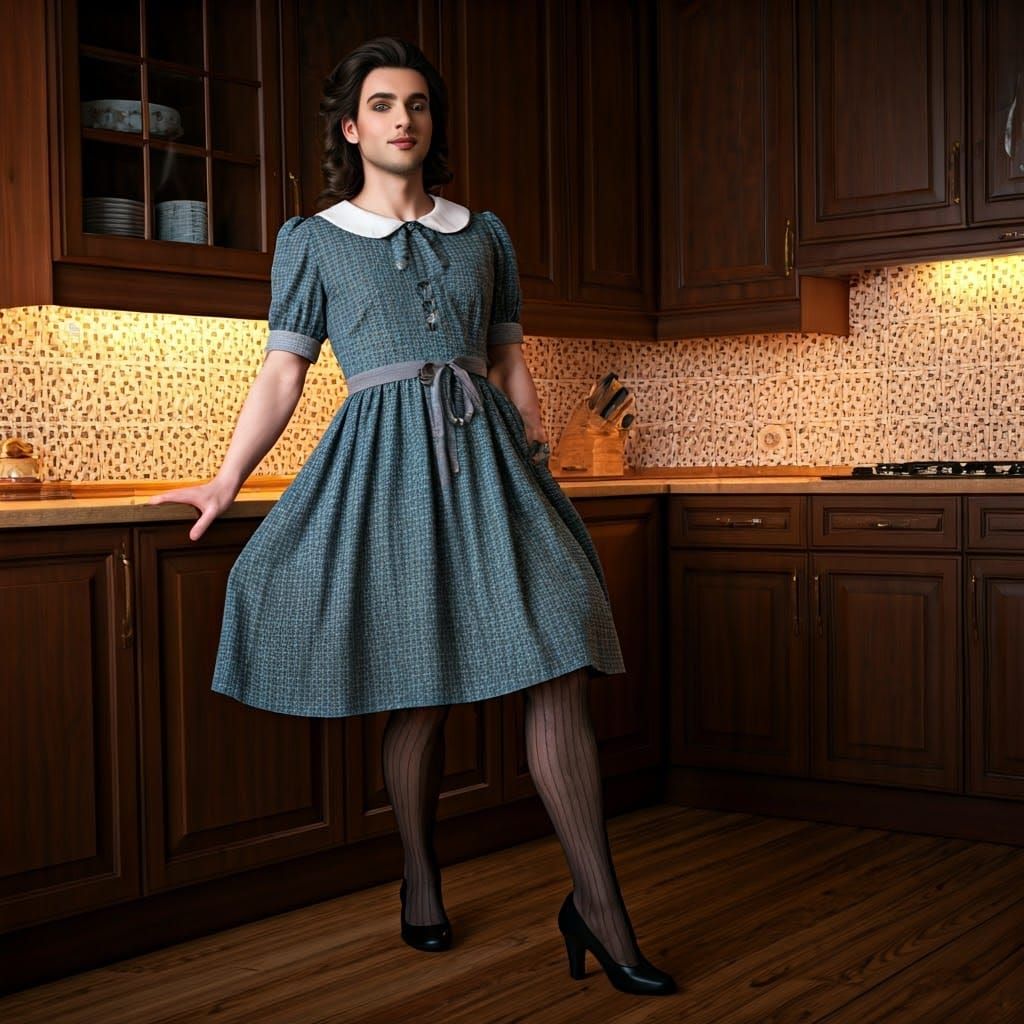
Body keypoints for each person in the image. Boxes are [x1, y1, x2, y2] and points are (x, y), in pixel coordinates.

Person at [146, 36, 676, 997]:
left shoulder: (486, 235)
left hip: (491, 468)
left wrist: (533, 445)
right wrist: (226, 481)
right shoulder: (311, 240)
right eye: (384, 105)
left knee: (560, 652)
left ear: (431, 124)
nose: (404, 119)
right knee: (417, 686)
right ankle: (421, 875)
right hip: (380, 469)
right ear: (353, 128)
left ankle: (599, 908)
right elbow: (283, 371)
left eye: (419, 104)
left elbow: (510, 358)